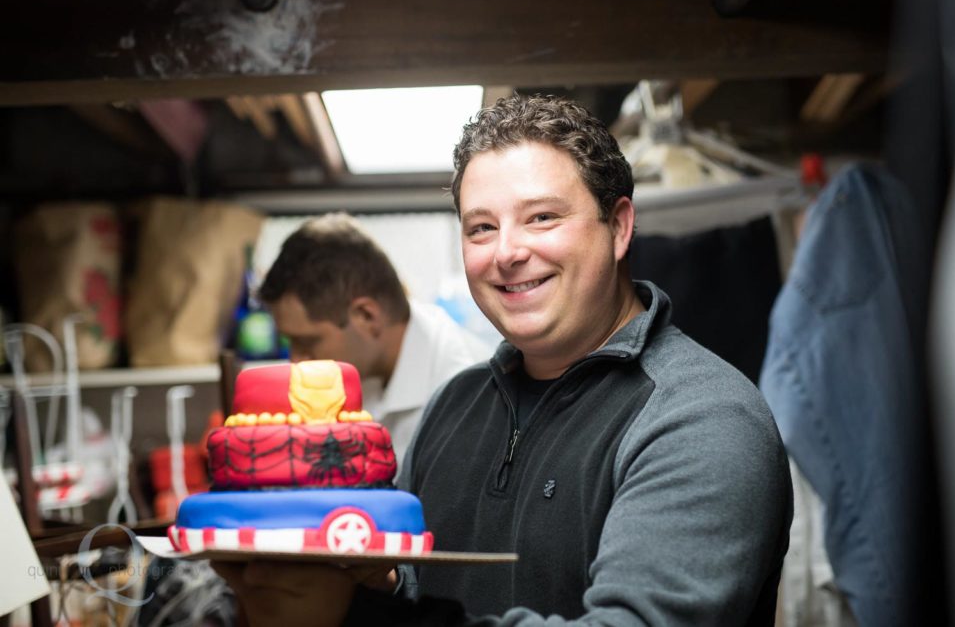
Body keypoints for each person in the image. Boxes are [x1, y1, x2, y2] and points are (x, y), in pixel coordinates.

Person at [217, 95, 793, 626]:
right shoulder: (454, 406)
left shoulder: (704, 419)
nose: (508, 253)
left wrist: (353, 619)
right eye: (482, 228)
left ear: (618, 227)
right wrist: (366, 583)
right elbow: (416, 589)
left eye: (542, 217)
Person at [258, 212, 492, 464]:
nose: (297, 361)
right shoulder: (365, 366)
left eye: (307, 342)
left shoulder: (467, 398)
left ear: (366, 316)